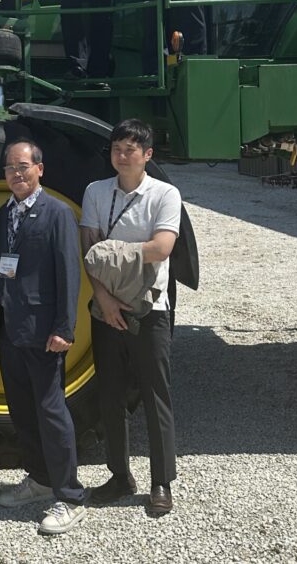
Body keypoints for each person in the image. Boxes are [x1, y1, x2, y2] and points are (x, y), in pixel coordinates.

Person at [80, 118, 181, 515]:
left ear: (148, 155)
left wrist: (114, 250)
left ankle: (161, 482)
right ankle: (120, 475)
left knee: (157, 394)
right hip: (106, 308)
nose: (122, 156)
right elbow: (88, 251)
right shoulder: (95, 191)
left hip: (148, 308)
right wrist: (102, 297)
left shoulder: (165, 194)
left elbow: (162, 248)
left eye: (131, 149)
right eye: (117, 149)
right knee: (110, 395)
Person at [0, 140, 86, 535]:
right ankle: (40, 478)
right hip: (11, 330)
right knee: (22, 411)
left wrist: (64, 328)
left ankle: (71, 496)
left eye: (24, 166)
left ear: (40, 169)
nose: (17, 173)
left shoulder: (57, 214)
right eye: (11, 167)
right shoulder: (4, 212)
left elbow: (69, 274)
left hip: (44, 333)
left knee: (51, 412)